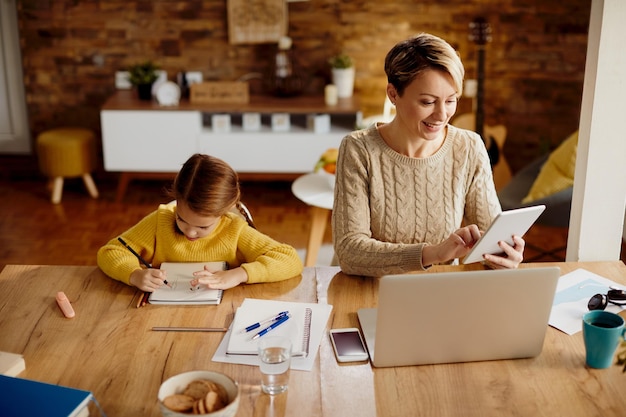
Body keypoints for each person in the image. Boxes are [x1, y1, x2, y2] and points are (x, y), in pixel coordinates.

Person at [332, 33, 524, 277]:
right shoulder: (358, 150)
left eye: (451, 100)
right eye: (427, 102)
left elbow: (490, 237)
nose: (442, 115)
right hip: (367, 289)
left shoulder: (469, 148)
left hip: (438, 291)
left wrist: (504, 255)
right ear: (393, 95)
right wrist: (433, 254)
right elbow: (350, 252)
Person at [98, 153, 303, 291]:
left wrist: (239, 274)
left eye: (203, 226)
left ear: (224, 212)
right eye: (181, 218)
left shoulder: (234, 229)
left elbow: (290, 260)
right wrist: (133, 274)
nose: (191, 232)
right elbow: (111, 252)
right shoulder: (160, 221)